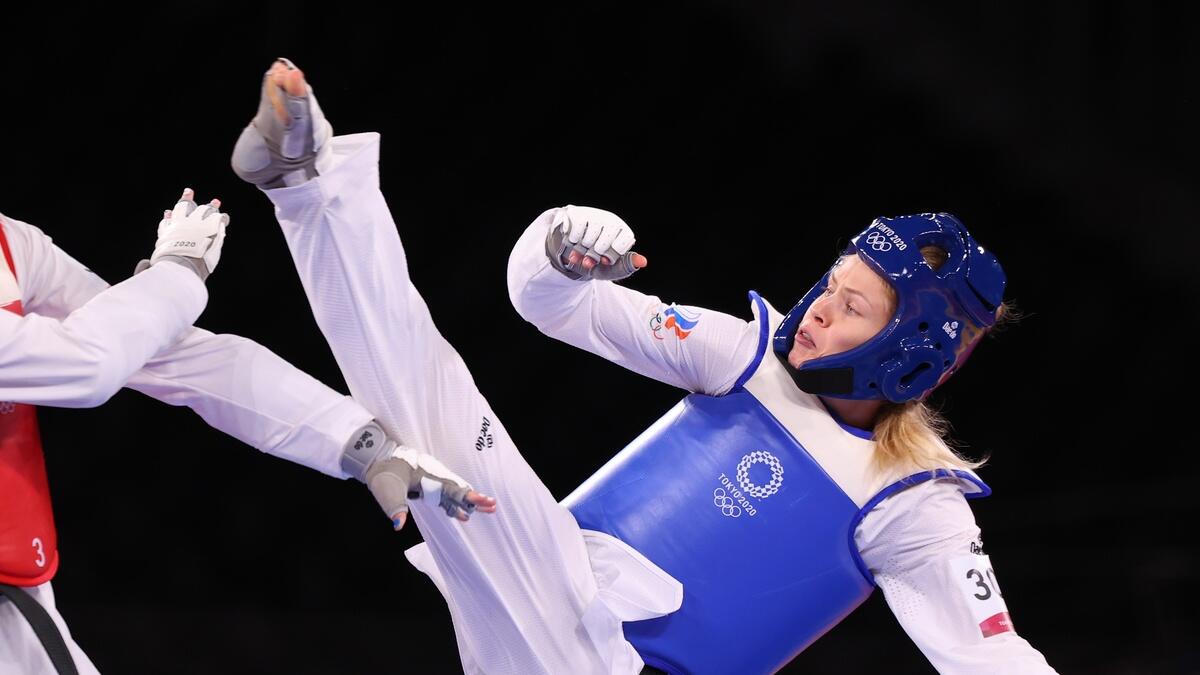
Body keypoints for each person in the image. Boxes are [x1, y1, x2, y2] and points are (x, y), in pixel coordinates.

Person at [231, 58, 1055, 674]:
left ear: (910, 354)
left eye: (854, 308)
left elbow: (993, 656)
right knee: (434, 415)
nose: (819, 310)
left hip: (599, 660)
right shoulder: (746, 357)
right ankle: (306, 182)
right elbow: (550, 305)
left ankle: (309, 188)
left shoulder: (911, 501)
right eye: (831, 286)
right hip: (552, 618)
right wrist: (557, 249)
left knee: (436, 423)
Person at [0, 191, 491, 673]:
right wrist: (177, 273)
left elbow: (165, 353)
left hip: (21, 611)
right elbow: (86, 364)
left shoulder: (13, 245)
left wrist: (364, 445)